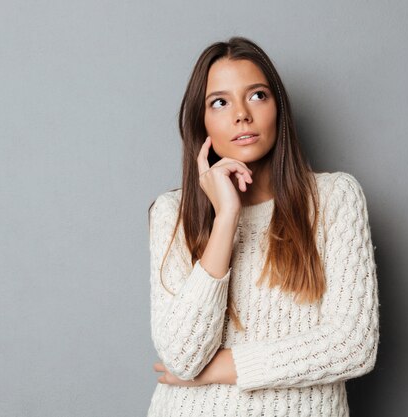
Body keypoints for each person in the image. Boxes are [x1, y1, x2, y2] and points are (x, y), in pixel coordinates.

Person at [147, 36, 379, 416]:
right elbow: (182, 357)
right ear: (200, 122)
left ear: (278, 109)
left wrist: (223, 367)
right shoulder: (172, 212)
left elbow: (353, 345)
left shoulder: (335, 198)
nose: (241, 114)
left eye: (256, 95)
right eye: (219, 102)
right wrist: (226, 218)